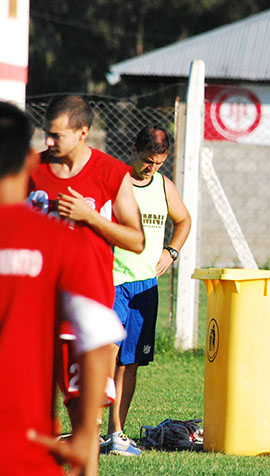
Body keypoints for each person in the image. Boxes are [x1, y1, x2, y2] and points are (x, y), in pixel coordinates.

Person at [0, 100, 127, 476]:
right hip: (21, 448)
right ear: (28, 163)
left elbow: (134, 238)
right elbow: (97, 336)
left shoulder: (110, 175)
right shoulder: (59, 241)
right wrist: (87, 437)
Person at [27, 95, 145, 474]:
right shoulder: (29, 169)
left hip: (86, 311)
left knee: (85, 414)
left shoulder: (111, 173)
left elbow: (136, 239)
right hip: (35, 308)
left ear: (83, 133)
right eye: (47, 134)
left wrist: (90, 217)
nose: (48, 142)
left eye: (56, 136)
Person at [105, 125, 191, 455]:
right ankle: (91, 427)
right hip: (112, 282)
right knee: (105, 356)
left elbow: (183, 220)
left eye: (158, 162)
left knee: (129, 363)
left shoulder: (164, 186)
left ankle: (117, 433)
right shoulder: (116, 181)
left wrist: (171, 252)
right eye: (146, 161)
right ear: (133, 150)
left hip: (146, 285)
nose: (151, 168)